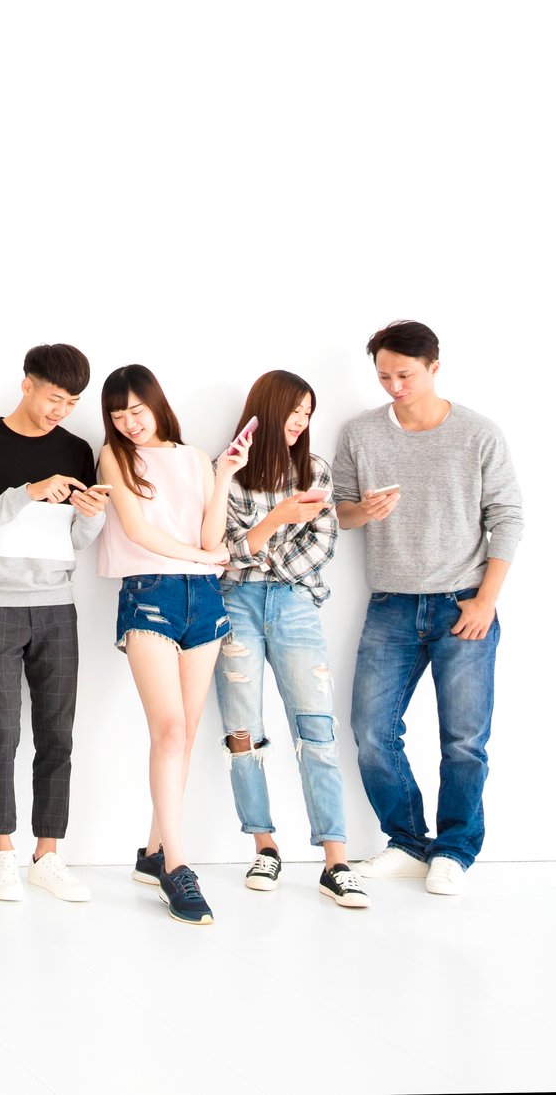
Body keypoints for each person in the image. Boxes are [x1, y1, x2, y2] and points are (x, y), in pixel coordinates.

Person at [337, 321, 523, 897]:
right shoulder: (360, 434)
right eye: (384, 376)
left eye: (405, 375)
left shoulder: (478, 434)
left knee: (463, 739)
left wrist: (486, 601)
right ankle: (408, 843)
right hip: (391, 604)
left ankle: (455, 849)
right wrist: (365, 511)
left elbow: (508, 519)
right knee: (371, 730)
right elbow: (340, 515)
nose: (394, 386)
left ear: (434, 367)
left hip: (463, 604)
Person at [0, 344, 104, 904]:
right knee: (2, 732)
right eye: (53, 398)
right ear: (27, 385)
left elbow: (75, 540)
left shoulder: (77, 449)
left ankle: (48, 855)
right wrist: (29, 492)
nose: (60, 410)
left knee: (57, 735)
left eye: (71, 402)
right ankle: (2, 855)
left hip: (57, 604)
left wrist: (91, 517)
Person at [214, 371, 364, 908]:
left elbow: (323, 542)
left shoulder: (316, 471)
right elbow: (221, 553)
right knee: (241, 731)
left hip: (297, 605)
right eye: (293, 412)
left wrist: (260, 551)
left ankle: (335, 860)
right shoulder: (226, 473)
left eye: (307, 413)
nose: (300, 423)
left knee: (316, 728)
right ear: (266, 412)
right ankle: (264, 844)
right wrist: (276, 523)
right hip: (235, 607)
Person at [97, 364, 237, 926]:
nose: (128, 423)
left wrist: (224, 475)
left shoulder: (193, 457)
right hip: (150, 596)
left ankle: (153, 853)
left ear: (156, 403)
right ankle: (179, 865)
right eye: (117, 414)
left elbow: (212, 535)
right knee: (170, 731)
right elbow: (135, 531)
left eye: (136, 409)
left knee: (188, 731)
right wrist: (204, 560)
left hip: (204, 602)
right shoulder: (115, 457)